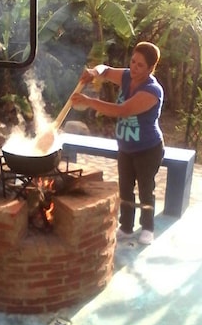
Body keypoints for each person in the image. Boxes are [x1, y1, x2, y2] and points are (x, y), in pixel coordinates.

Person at [70, 41, 164, 245]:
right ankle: (127, 228)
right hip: (126, 147)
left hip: (148, 149)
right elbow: (105, 70)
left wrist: (88, 101)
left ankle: (148, 227)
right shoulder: (128, 75)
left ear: (150, 68)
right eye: (133, 61)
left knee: (146, 189)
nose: (134, 67)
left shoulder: (152, 91)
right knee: (125, 189)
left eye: (140, 65)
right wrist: (94, 72)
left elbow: (121, 111)